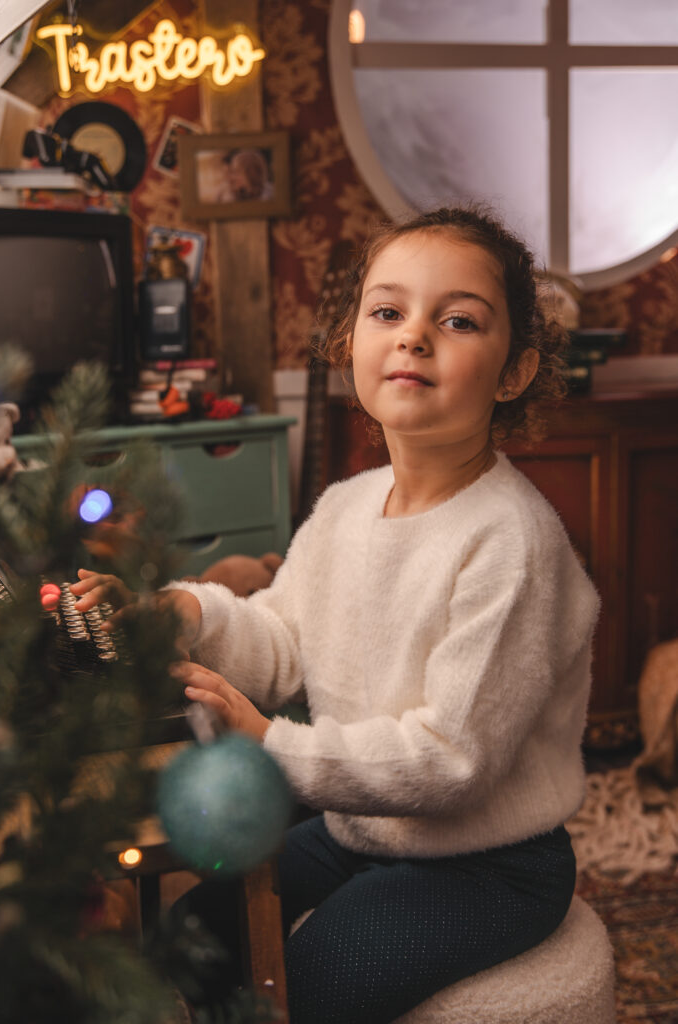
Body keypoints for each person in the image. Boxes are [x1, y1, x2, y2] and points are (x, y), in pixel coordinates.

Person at [71, 205, 600, 1024]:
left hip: (489, 862)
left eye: (457, 321)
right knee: (196, 936)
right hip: (364, 829)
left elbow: (453, 758)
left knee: (317, 977)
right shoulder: (349, 508)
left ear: (515, 372)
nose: (414, 336)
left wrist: (271, 745)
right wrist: (183, 610)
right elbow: (283, 639)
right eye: (388, 312)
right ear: (347, 342)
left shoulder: (511, 542)